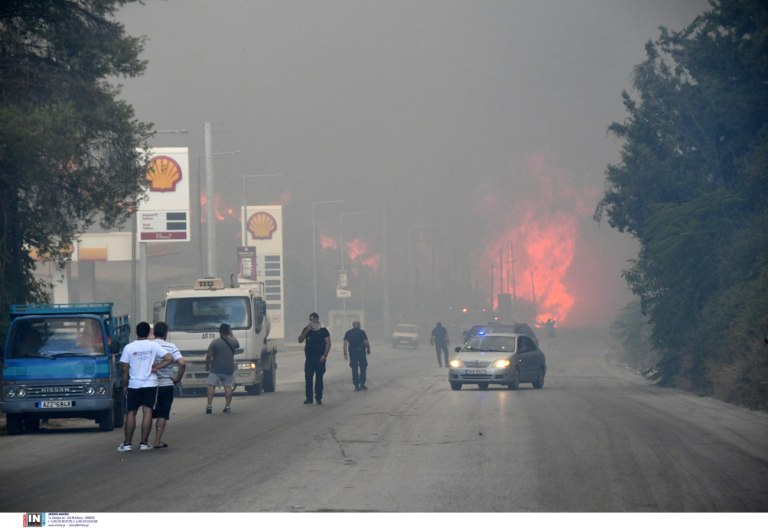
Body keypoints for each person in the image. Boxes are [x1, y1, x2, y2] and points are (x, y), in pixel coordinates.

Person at [118, 321, 173, 452]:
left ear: (136, 332)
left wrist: (125, 385)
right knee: (147, 411)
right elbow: (169, 358)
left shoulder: (129, 347)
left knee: (131, 413)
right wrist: (157, 367)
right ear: (149, 333)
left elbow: (124, 369)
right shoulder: (153, 346)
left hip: (134, 384)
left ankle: (127, 444)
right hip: (150, 383)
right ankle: (144, 443)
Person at [150, 321, 186, 448]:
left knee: (148, 412)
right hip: (166, 384)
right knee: (162, 413)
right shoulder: (171, 347)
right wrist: (178, 378)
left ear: (154, 333)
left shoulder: (149, 346)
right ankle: (157, 440)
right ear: (166, 333)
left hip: (150, 384)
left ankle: (144, 441)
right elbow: (182, 363)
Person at [205, 323, 238, 414]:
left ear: (219, 331)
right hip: (229, 369)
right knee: (228, 387)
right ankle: (227, 407)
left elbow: (209, 356)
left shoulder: (214, 342)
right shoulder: (233, 341)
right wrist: (231, 334)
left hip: (215, 369)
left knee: (211, 386)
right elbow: (237, 344)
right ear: (228, 331)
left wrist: (207, 365)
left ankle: (209, 406)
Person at [298, 312, 331, 405]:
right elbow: (300, 340)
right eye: (310, 319)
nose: (311, 321)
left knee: (319, 378)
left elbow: (328, 343)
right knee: (308, 378)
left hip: (320, 358)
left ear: (317, 319)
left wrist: (325, 355)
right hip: (309, 359)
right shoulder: (307, 329)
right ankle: (309, 398)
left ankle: (318, 397)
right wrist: (307, 331)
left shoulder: (323, 330)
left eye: (312, 319)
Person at [343, 320, 370, 391]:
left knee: (354, 368)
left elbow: (345, 343)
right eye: (359, 324)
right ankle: (362, 383)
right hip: (361, 351)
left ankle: (356, 385)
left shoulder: (348, 333)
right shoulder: (362, 332)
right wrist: (368, 349)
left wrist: (345, 353)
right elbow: (366, 342)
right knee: (363, 367)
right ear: (357, 325)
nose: (360, 325)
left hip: (352, 352)